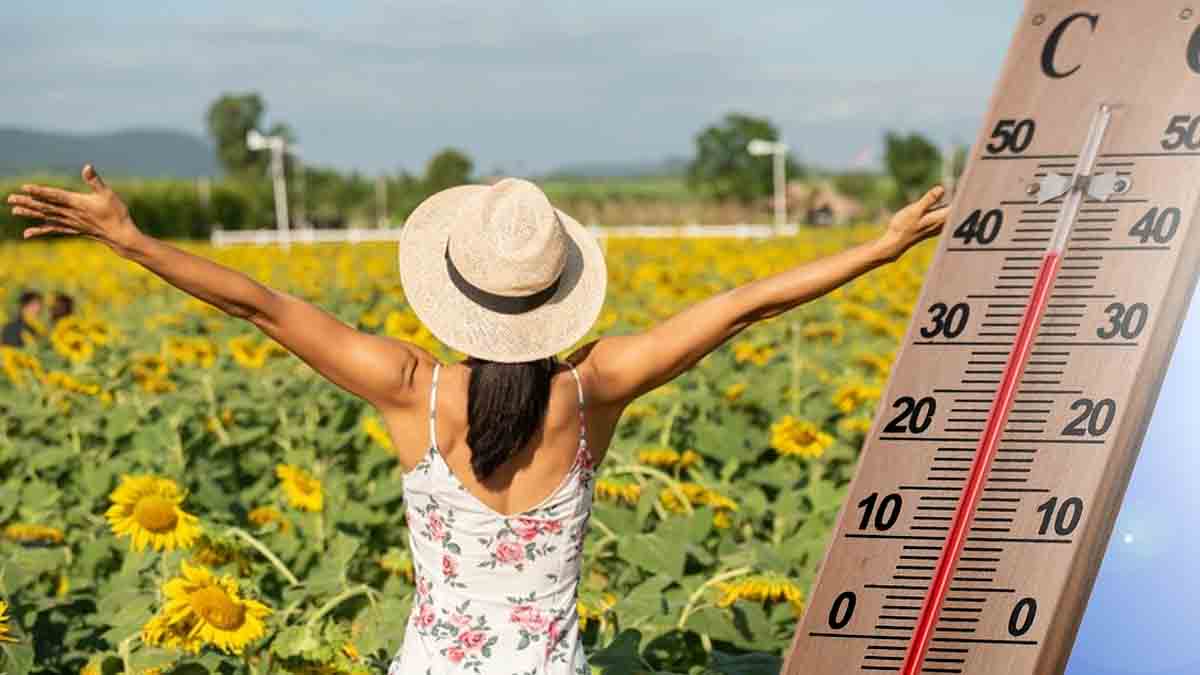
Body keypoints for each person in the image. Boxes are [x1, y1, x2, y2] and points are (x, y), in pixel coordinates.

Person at [7, 165, 948, 673]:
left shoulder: (408, 388)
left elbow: (261, 306)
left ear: (451, 286)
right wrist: (880, 246)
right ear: (559, 298)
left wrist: (129, 241)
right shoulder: (594, 392)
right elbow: (744, 305)